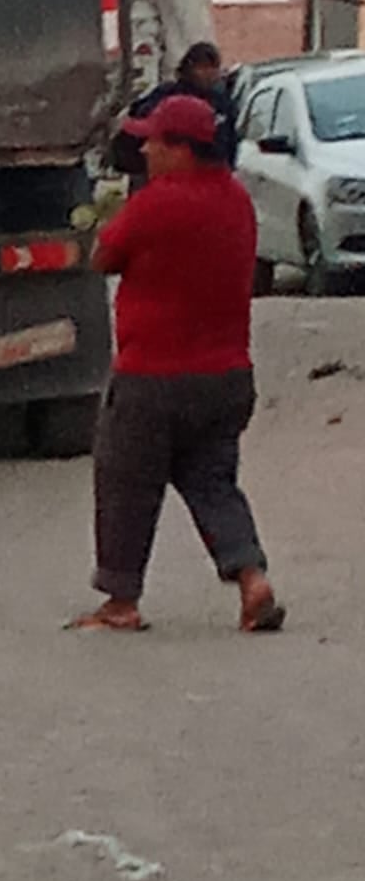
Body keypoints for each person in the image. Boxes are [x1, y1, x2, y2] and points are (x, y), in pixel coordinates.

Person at [71, 94, 285, 634]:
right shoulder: (236, 199)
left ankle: (121, 601)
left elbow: (102, 257)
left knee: (125, 483)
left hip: (153, 380)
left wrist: (108, 220)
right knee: (213, 482)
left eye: (154, 141)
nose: (145, 150)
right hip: (228, 377)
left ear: (182, 149)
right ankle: (252, 578)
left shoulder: (156, 204)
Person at [112, 41, 239, 180]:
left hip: (211, 174)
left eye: (213, 67)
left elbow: (230, 139)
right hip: (163, 172)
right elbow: (140, 126)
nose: (208, 73)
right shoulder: (167, 94)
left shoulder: (222, 102)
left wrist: (228, 169)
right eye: (202, 67)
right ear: (189, 68)